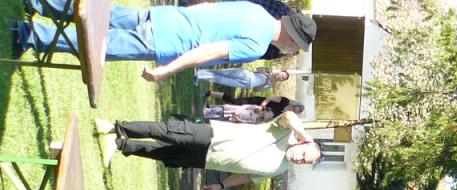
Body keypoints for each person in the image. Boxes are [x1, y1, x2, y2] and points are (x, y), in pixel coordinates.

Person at [12, 2, 315, 79]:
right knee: (98, 45)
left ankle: (40, 3)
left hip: (165, 16)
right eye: (295, 47)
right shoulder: (258, 45)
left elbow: (209, 7)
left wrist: (177, 14)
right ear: (292, 38)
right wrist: (167, 70)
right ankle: (28, 35)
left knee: (102, 16)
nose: (291, 51)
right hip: (167, 40)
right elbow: (208, 51)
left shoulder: (257, 10)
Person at [91, 109, 321, 186]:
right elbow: (289, 115)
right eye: (303, 154)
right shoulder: (285, 131)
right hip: (212, 136)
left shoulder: (282, 167)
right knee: (166, 131)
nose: (299, 159)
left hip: (208, 160)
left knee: (164, 154)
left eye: (303, 162)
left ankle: (120, 145)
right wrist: (302, 134)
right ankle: (114, 127)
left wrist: (221, 185)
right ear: (304, 142)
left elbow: (248, 177)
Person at [204, 95, 302, 124]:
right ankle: (212, 103)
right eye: (294, 108)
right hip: (259, 103)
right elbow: (270, 97)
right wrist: (262, 106)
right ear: (294, 105)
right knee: (235, 103)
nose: (293, 110)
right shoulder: (285, 101)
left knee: (231, 115)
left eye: (295, 112)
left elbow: (270, 120)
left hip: (258, 115)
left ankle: (211, 114)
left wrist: (261, 120)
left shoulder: (283, 115)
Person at [196, 67, 290, 91]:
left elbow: (256, 90)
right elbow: (258, 69)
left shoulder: (271, 85)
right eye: (282, 75)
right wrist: (267, 76)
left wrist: (266, 84)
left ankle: (200, 76)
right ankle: (202, 71)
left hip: (246, 85)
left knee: (222, 80)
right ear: (280, 72)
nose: (281, 77)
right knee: (222, 72)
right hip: (246, 75)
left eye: (282, 78)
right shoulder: (270, 71)